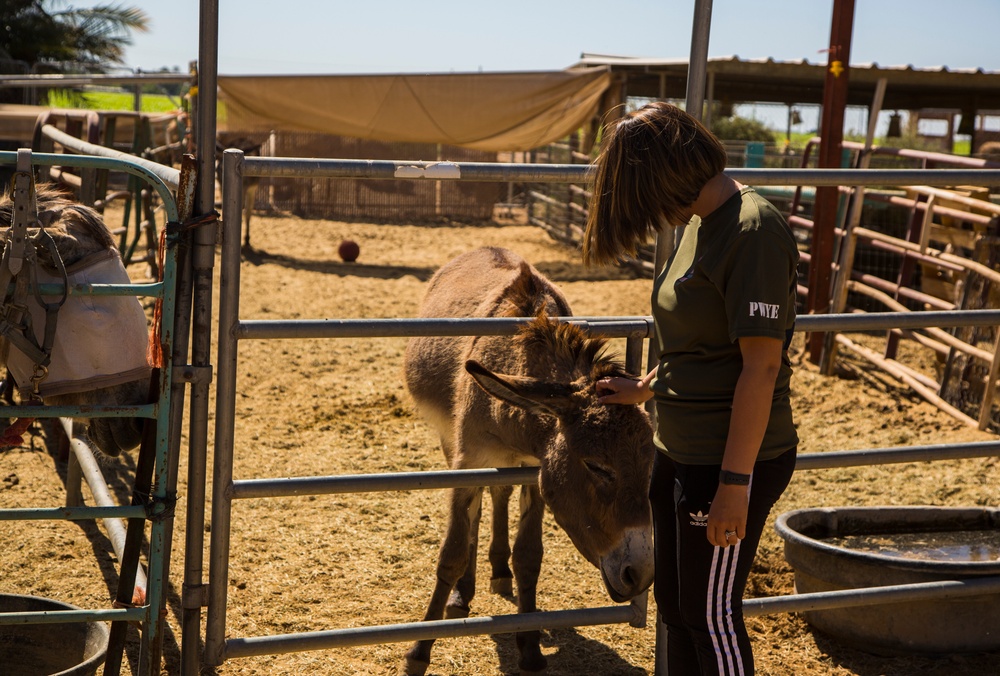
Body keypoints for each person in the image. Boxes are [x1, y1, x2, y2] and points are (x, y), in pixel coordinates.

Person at [583, 101, 799, 675]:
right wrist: (646, 387)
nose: (648, 213)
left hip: (724, 460)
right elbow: (702, 347)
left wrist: (735, 485)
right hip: (678, 450)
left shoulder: (752, 232)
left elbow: (761, 368)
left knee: (712, 616)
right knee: (676, 610)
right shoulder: (697, 226)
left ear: (663, 177)